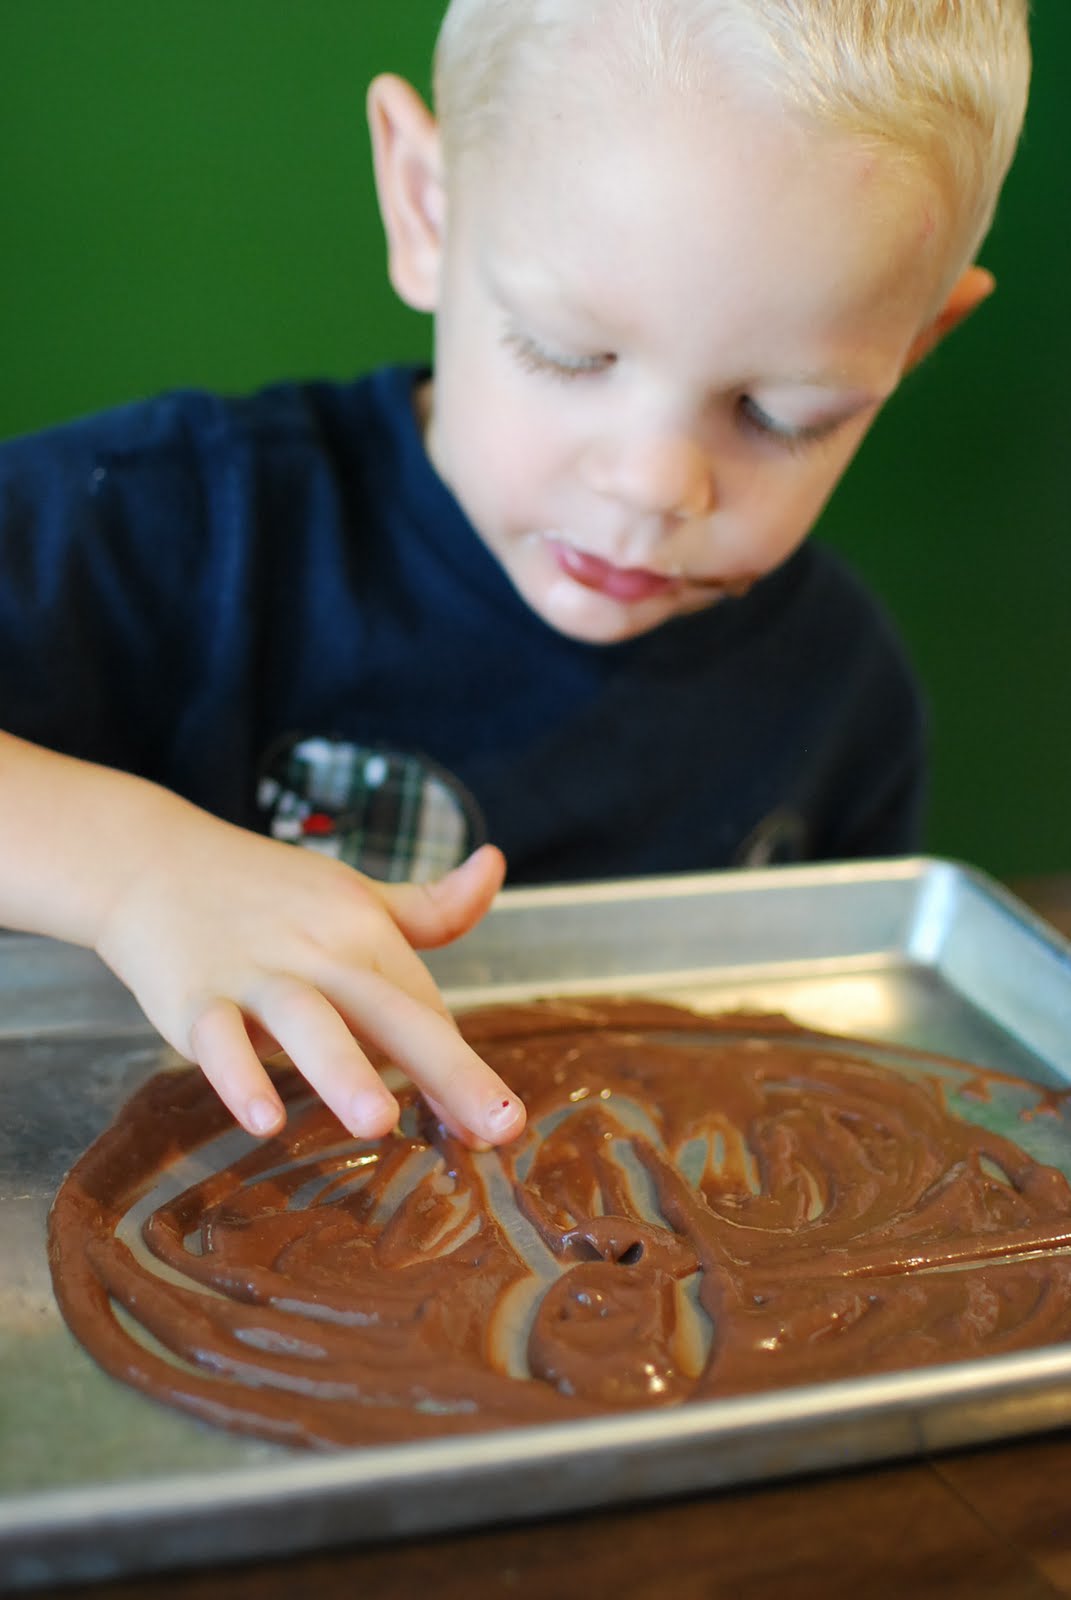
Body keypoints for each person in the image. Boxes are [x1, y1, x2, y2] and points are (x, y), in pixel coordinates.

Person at [0, 1, 1031, 1148]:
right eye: (569, 352)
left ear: (916, 341)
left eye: (781, 413)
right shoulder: (172, 521)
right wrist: (132, 871)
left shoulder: (840, 700)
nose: (654, 483)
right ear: (426, 206)